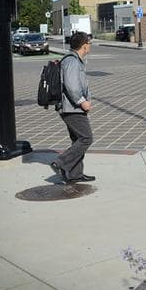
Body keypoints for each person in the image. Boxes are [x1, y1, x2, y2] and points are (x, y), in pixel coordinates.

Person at [50, 31, 95, 184]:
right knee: (86, 138)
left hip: (72, 107)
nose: (90, 46)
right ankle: (60, 163)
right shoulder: (72, 62)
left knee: (77, 139)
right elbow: (72, 86)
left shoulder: (75, 60)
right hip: (71, 108)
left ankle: (75, 174)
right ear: (84, 46)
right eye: (89, 43)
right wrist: (82, 101)